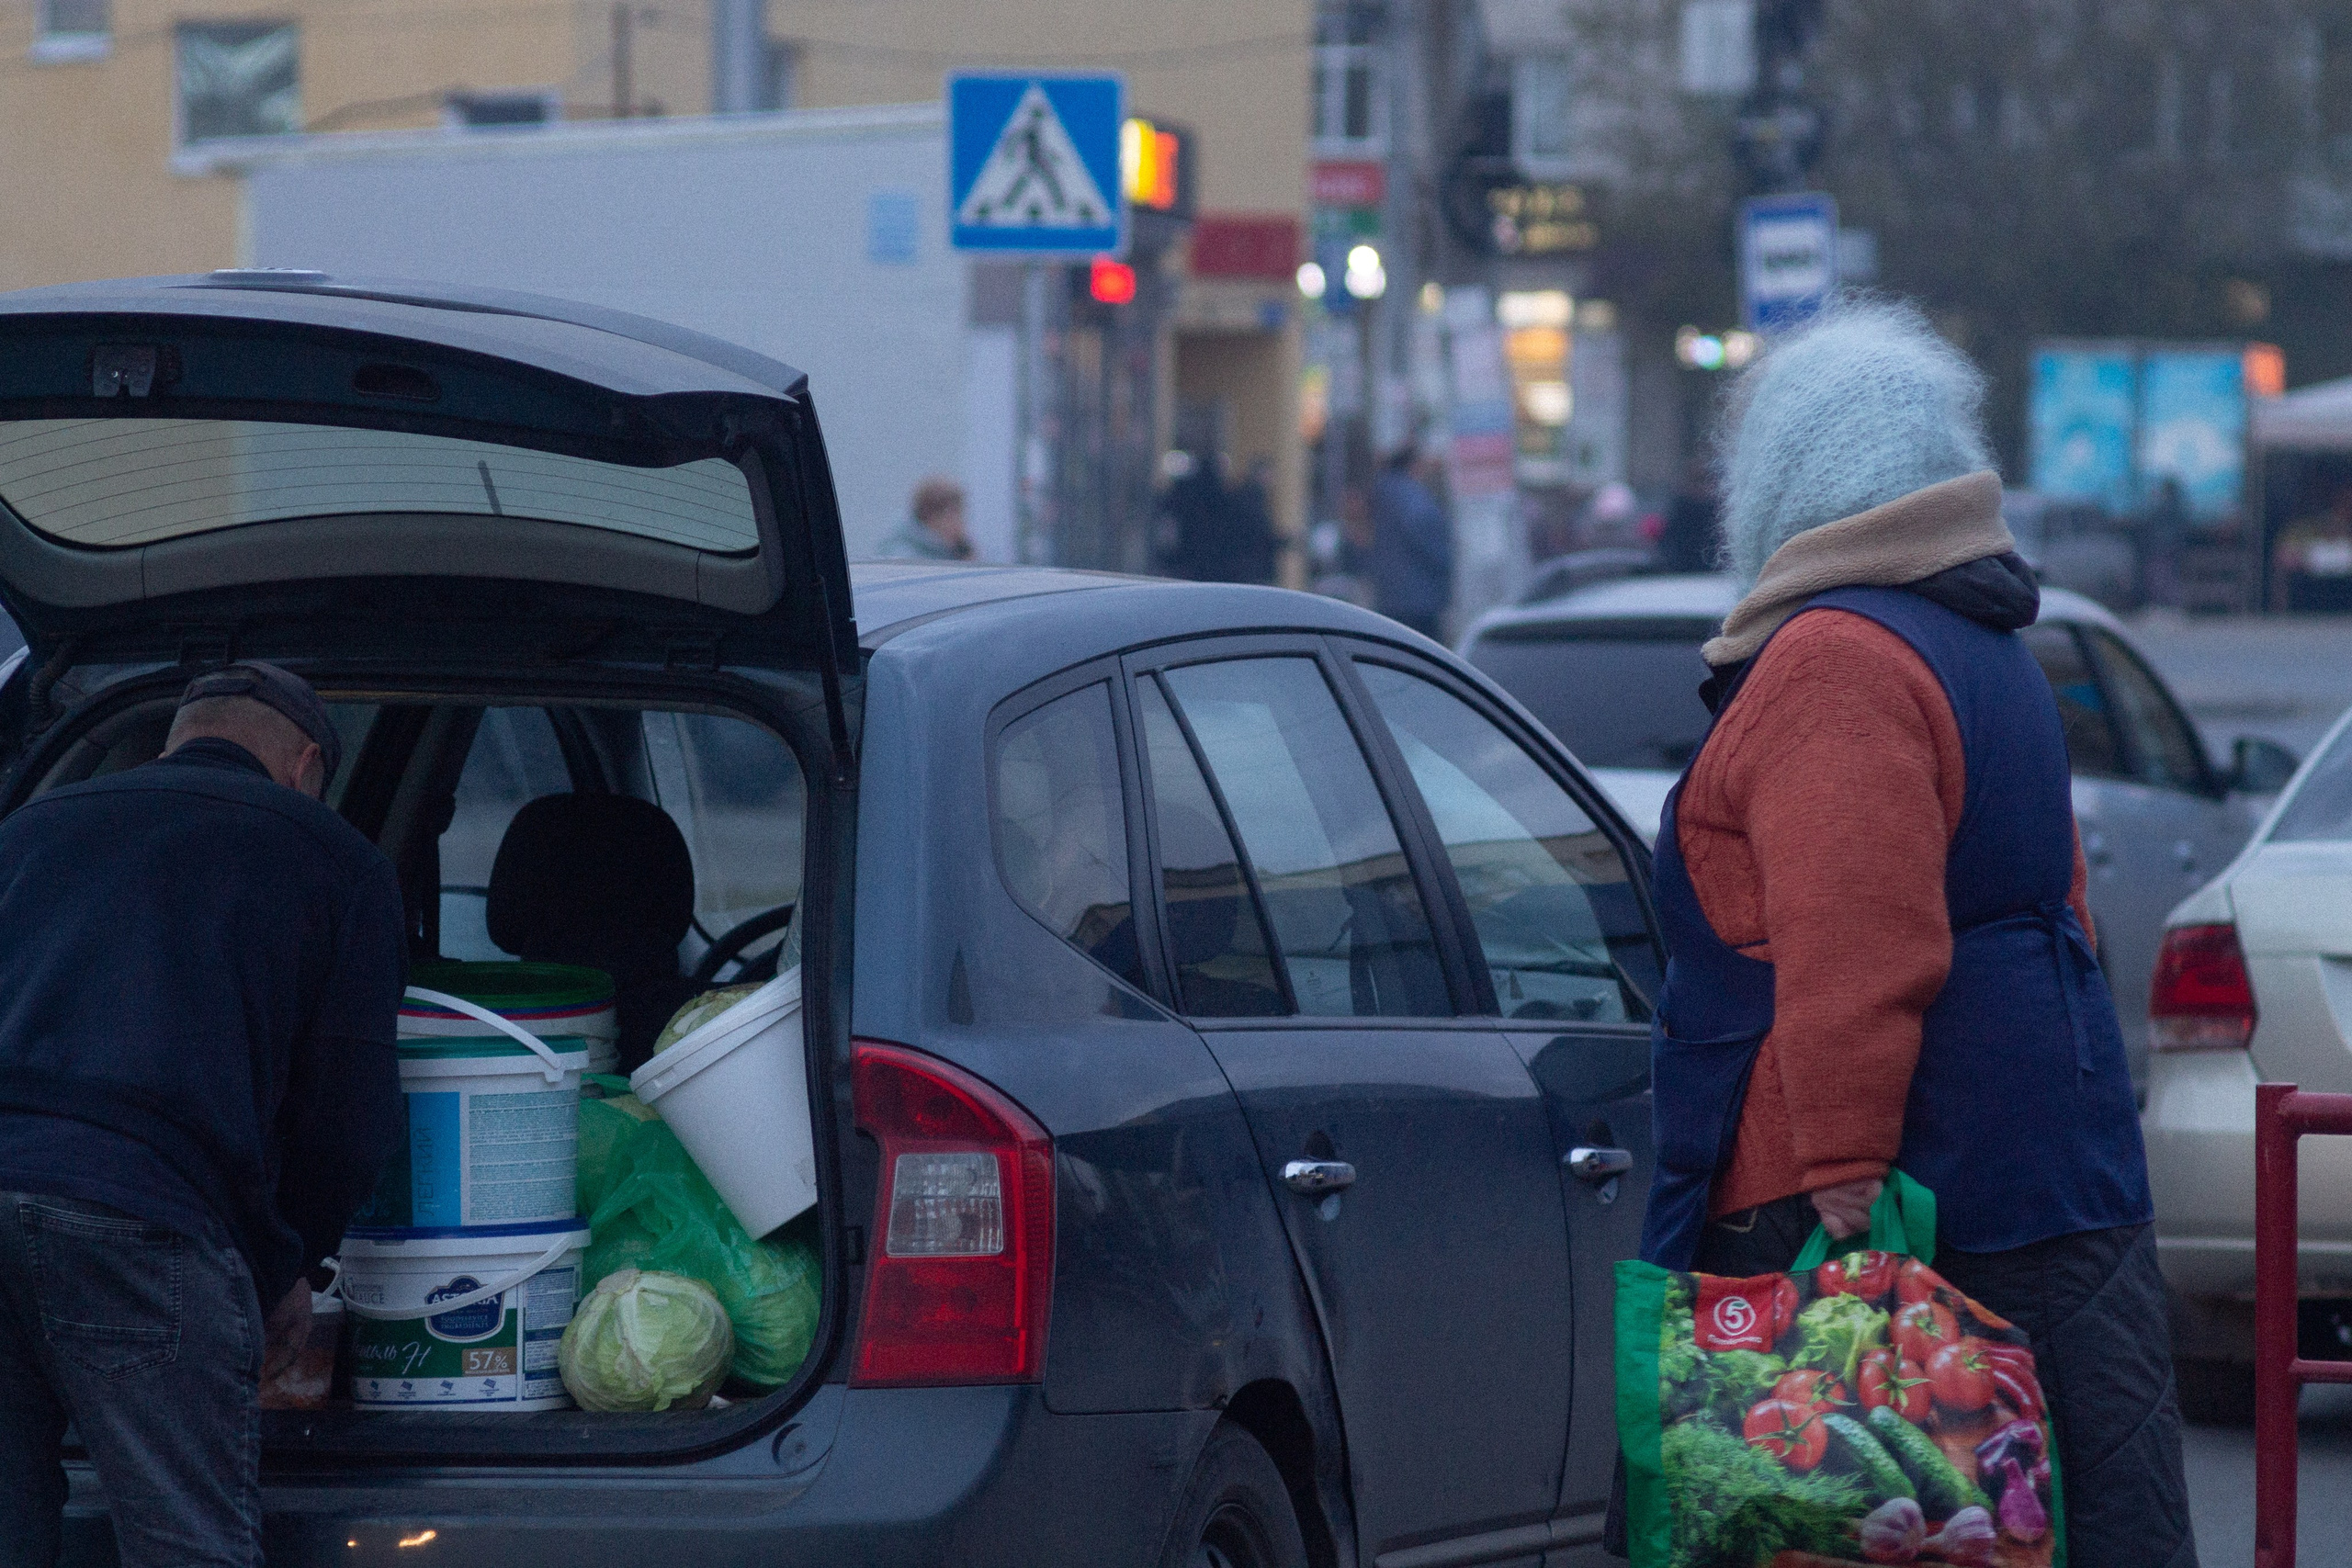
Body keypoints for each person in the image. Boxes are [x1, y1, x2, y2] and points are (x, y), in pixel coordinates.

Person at [1633, 303, 2194, 1567]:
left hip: (1907, 1182)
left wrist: (1841, 1161)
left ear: (1791, 478)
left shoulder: (1838, 657)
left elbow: (1854, 932)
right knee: (2067, 1491)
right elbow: (2057, 900)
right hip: (2043, 1146)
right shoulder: (1988, 644)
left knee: (1859, 1514)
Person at [0, 662, 406, 1567]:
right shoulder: (336, 861)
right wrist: (288, 1260)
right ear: (304, 765)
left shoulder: (27, 829)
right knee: (187, 1543)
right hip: (139, 1218)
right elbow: (348, 1119)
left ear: (180, 735)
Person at [1370, 446, 1453, 640]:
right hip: (1419, 596)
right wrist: (1445, 562)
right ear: (1413, 465)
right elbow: (1424, 531)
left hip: (1391, 595)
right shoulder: (1411, 495)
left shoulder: (1383, 493)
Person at [879, 475, 976, 561]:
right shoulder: (903, 556)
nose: (959, 525)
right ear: (931, 517)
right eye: (953, 517)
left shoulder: (941, 551)